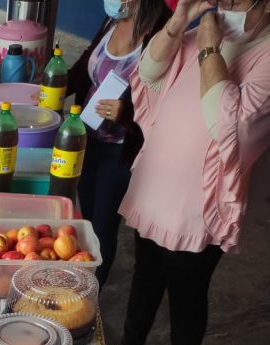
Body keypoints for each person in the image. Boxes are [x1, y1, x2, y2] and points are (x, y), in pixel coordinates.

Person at [110, 0, 270, 345]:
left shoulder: (263, 54)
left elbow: (228, 124)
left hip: (199, 206)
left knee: (186, 294)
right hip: (157, 188)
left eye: (235, 1)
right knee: (145, 276)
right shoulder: (196, 34)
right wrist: (180, 22)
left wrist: (212, 51)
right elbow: (147, 75)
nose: (224, 5)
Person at [66, 0, 170, 287]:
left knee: (102, 226)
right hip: (86, 137)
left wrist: (126, 112)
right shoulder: (112, 19)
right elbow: (88, 63)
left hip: (122, 147)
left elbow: (165, 99)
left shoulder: (162, 31)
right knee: (83, 217)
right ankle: (74, 282)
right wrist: (53, 84)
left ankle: (90, 298)